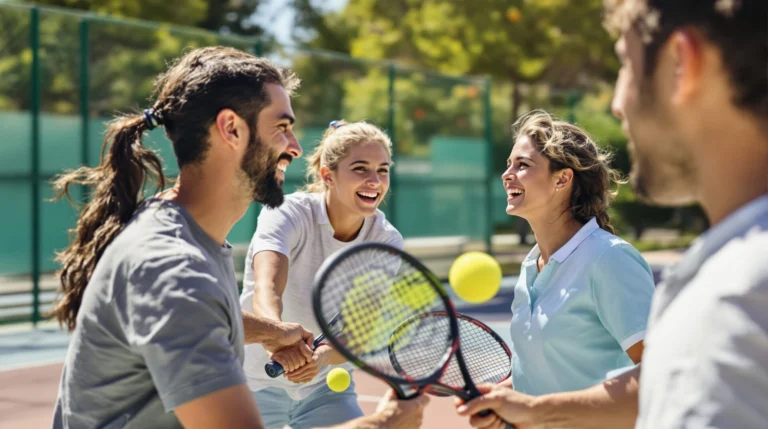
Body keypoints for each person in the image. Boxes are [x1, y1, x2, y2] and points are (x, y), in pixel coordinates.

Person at [50, 46, 428, 429]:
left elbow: (205, 317)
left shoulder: (189, 240)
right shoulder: (174, 268)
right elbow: (196, 303)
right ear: (231, 129)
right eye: (281, 127)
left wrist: (272, 331)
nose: (296, 148)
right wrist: (385, 422)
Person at [455, 0, 768, 428]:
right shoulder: (720, 269)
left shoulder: (735, 283)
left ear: (683, 61)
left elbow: (651, 380)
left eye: (625, 64)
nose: (617, 104)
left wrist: (538, 411)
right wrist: (515, 398)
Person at [239, 120, 403, 429]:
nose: (374, 181)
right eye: (360, 169)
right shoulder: (286, 212)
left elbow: (358, 333)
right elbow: (267, 287)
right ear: (328, 175)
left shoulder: (386, 240)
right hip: (248, 383)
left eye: (382, 170)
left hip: (325, 390)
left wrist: (321, 359)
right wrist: (276, 336)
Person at [501, 110, 654, 397]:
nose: (507, 175)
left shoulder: (610, 259)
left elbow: (657, 375)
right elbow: (549, 375)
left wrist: (539, 411)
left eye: (522, 165)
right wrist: (505, 397)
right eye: (509, 164)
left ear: (562, 179)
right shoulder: (531, 267)